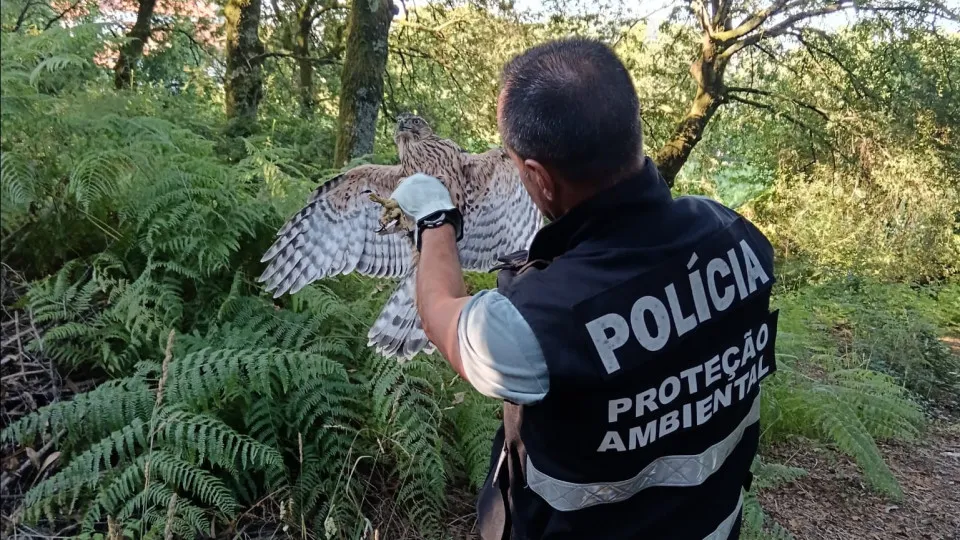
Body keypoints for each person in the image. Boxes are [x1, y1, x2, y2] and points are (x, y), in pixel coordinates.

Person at [386, 37, 779, 540]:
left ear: (539, 177)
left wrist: (435, 217)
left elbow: (440, 310)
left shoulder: (537, 324)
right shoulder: (740, 239)